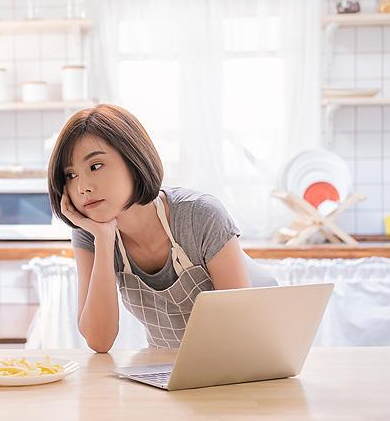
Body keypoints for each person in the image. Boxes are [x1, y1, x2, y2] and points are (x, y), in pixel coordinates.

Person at [47, 104, 276, 353]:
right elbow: (99, 341)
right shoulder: (90, 232)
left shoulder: (199, 215)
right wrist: (103, 239)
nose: (82, 187)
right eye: (70, 175)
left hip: (251, 350)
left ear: (133, 161)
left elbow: (239, 328)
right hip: (167, 364)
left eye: (96, 166)